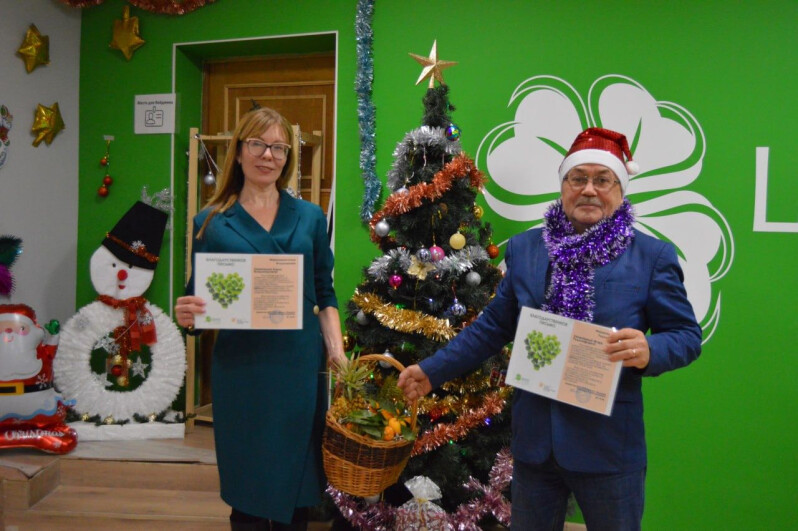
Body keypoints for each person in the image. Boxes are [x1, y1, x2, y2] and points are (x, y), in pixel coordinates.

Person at [397, 127, 702, 531]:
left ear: (620, 190)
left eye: (603, 179)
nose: (589, 189)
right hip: (536, 445)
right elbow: (492, 328)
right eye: (578, 178)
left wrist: (650, 351)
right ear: (563, 186)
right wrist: (431, 371)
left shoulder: (651, 256)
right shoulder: (526, 249)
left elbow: (686, 336)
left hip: (609, 446)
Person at [175, 107, 346, 531]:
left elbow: (324, 292)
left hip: (297, 366)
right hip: (242, 370)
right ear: (238, 151)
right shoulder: (210, 223)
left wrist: (337, 352)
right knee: (247, 483)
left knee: (295, 487)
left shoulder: (309, 217)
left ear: (287, 157)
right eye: (257, 144)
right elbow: (199, 300)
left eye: (278, 148)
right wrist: (188, 315)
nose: (268, 155)